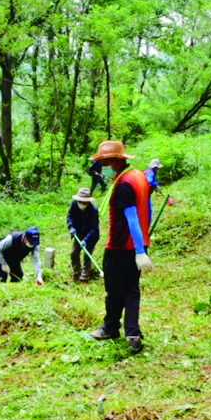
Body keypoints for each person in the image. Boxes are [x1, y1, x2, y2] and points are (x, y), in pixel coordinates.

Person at [88, 141, 152, 354]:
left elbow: (132, 217)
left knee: (114, 291)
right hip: (137, 244)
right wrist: (143, 243)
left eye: (104, 161)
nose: (101, 166)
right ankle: (133, 334)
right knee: (132, 291)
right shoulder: (138, 176)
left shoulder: (124, 184)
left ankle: (110, 328)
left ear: (115, 161)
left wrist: (140, 252)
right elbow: (147, 210)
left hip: (120, 248)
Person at [67, 188, 100, 282]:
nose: (82, 204)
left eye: (85, 202)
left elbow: (94, 228)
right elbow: (69, 217)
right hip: (78, 233)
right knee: (74, 253)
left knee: (87, 255)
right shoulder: (74, 205)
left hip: (91, 235)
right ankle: (76, 273)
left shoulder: (93, 210)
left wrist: (86, 240)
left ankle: (84, 277)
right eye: (81, 201)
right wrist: (71, 227)